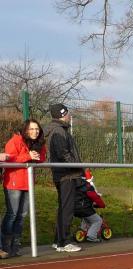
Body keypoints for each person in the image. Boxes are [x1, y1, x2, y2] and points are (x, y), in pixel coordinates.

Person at [44, 103, 84, 252]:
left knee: (63, 208)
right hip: (66, 175)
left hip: (65, 174)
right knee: (67, 209)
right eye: (67, 113)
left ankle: (58, 240)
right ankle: (64, 242)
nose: (69, 115)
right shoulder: (59, 131)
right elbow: (63, 154)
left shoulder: (58, 129)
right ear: (62, 115)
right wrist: (77, 166)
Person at [3, 120, 46, 257]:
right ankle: (5, 246)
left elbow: (42, 158)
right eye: (31, 129)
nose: (35, 131)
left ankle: (15, 247)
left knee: (22, 215)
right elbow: (9, 159)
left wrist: (38, 156)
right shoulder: (15, 141)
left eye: (37, 129)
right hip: (14, 183)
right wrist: (28, 156)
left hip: (28, 183)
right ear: (25, 130)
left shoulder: (39, 143)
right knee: (12, 214)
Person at [73, 172, 105, 242]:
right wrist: (102, 205)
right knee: (98, 220)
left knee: (86, 218)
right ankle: (92, 236)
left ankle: (82, 233)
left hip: (73, 209)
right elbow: (96, 197)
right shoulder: (88, 187)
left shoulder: (72, 186)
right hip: (84, 209)